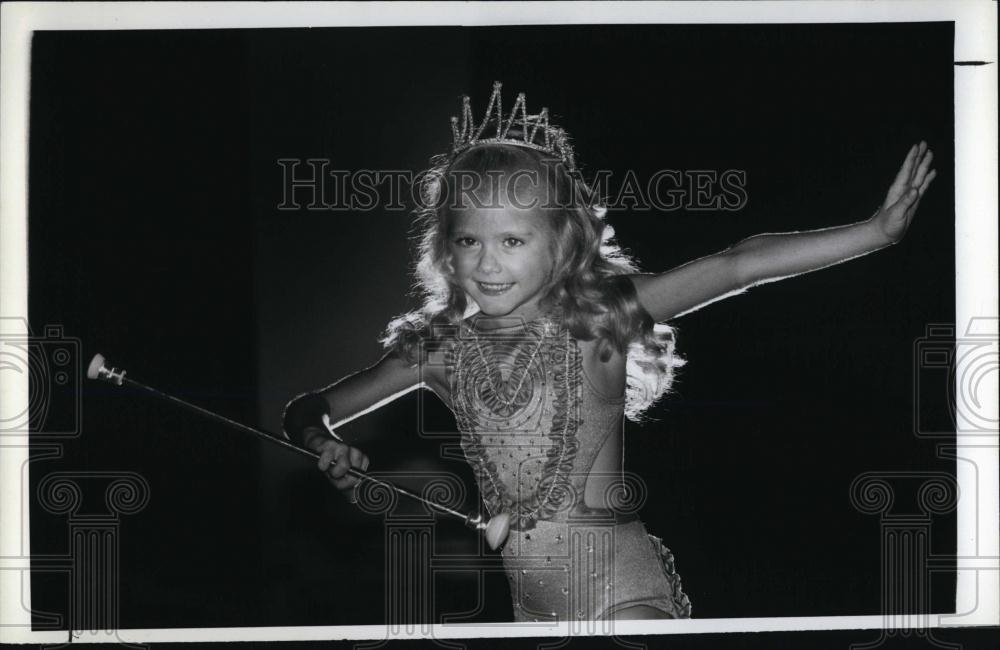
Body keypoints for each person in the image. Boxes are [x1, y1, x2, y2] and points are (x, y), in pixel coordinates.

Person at [282, 82, 936, 623]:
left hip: (625, 598)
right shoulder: (438, 350)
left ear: (561, 240)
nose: (487, 263)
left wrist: (873, 233)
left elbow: (739, 263)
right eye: (469, 242)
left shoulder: (599, 319)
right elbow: (309, 407)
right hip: (530, 612)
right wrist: (323, 444)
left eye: (513, 241)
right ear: (445, 248)